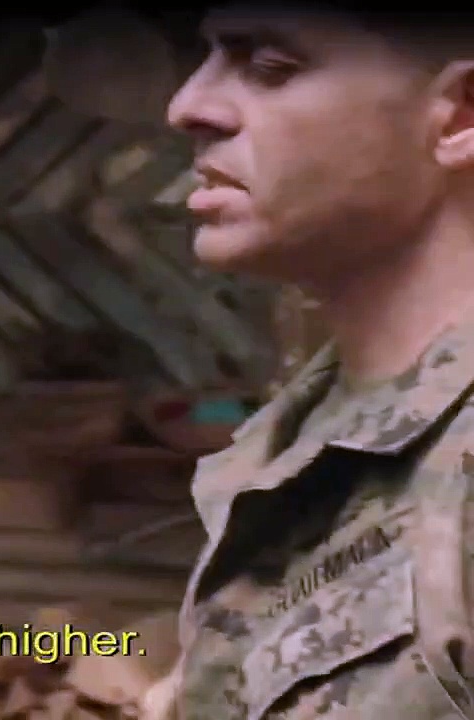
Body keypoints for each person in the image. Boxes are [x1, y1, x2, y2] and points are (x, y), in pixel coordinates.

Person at [160, 4, 474, 720]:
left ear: (460, 114)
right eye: (208, 57)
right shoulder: (299, 432)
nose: (187, 106)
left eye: (271, 66)